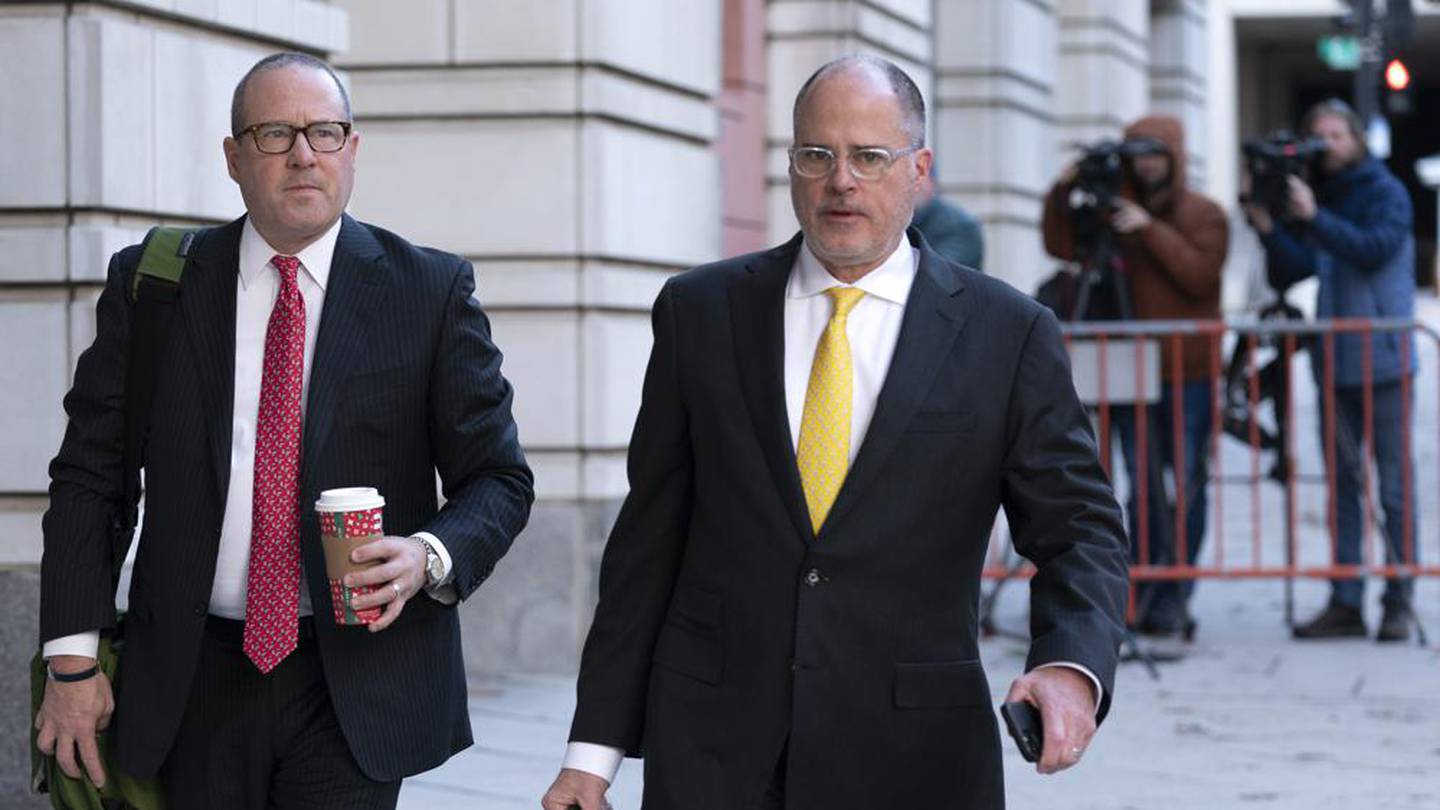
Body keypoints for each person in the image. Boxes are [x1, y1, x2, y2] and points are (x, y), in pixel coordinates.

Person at [541, 55, 1129, 810]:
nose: (840, 180)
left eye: (869, 157)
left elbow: (1080, 530)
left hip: (914, 757)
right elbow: (648, 544)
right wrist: (592, 756)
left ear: (918, 170)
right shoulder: (701, 312)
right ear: (790, 167)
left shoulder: (1007, 334)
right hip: (714, 755)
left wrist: (1071, 667)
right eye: (816, 155)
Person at [34, 52, 534, 808]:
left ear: (352, 151)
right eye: (275, 133)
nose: (304, 154)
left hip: (356, 682)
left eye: (325, 132)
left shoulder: (429, 290)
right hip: (191, 675)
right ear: (233, 157)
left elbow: (498, 479)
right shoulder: (157, 286)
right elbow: (89, 477)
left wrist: (428, 556)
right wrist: (71, 661)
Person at [1040, 115, 1228, 636]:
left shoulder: (1204, 213)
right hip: (1128, 371)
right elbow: (1061, 246)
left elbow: (1200, 275)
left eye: (1155, 153)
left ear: (1174, 157)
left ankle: (1175, 590)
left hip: (1185, 373)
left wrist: (1150, 229)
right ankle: (1140, 588)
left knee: (1184, 482)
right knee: (1140, 485)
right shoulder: (1110, 213)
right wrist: (1065, 187)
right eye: (1136, 154)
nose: (1145, 164)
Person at [1243, 98, 1418, 643]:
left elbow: (1373, 249)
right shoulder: (1320, 195)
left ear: (1358, 140)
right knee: (1342, 485)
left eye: (1336, 135)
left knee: (1392, 487)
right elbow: (1294, 268)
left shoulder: (1384, 192)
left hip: (1384, 360)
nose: (1327, 145)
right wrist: (1271, 225)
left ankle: (1397, 597)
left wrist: (1314, 215)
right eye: (1318, 135)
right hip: (1334, 364)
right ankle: (1346, 599)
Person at [912, 167, 985, 270]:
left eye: (917, 178)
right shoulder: (908, 222)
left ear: (931, 182)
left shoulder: (959, 226)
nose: (911, 187)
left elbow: (936, 273)